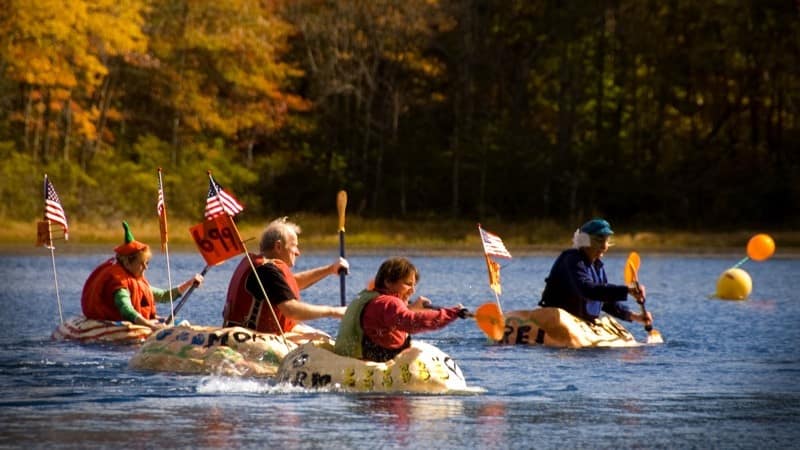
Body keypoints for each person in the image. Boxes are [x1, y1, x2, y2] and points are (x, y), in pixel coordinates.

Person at [222, 217, 348, 334]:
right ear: (278, 246)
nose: (298, 252)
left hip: (237, 331)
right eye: (294, 246)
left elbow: (291, 284)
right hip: (253, 338)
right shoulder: (267, 270)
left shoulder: (262, 268)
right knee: (321, 339)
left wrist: (330, 269)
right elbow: (291, 310)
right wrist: (334, 311)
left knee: (318, 335)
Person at [335, 257, 467, 362]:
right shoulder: (388, 302)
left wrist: (412, 308)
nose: (413, 290)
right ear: (388, 282)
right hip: (361, 361)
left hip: (347, 356)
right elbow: (411, 323)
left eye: (414, 285)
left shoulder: (369, 296)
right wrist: (451, 313)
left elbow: (389, 318)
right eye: (408, 284)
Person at [81, 221, 204, 331]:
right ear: (127, 262)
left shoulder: (135, 279)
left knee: (183, 323)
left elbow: (164, 296)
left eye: (147, 263)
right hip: (119, 327)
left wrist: (189, 283)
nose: (146, 267)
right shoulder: (119, 283)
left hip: (142, 324)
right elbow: (127, 310)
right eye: (141, 264)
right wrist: (152, 326)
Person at [539, 218, 652, 327]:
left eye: (606, 241)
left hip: (579, 324)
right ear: (584, 241)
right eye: (599, 240)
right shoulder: (572, 259)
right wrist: (627, 290)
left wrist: (634, 316)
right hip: (557, 320)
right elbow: (587, 290)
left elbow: (604, 301)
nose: (604, 246)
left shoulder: (598, 267)